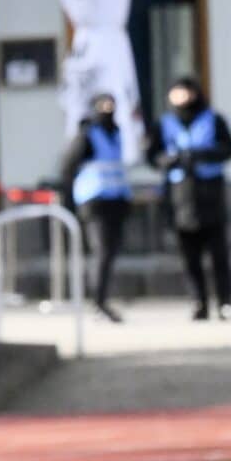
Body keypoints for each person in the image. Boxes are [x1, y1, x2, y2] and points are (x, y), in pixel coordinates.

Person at [147, 75, 231, 321]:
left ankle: (225, 303)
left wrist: (202, 155)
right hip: (180, 197)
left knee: (219, 253)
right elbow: (152, 156)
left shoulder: (213, 119)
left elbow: (229, 148)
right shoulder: (164, 123)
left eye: (186, 92)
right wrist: (171, 160)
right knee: (189, 255)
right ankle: (199, 302)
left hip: (210, 193)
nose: (182, 97)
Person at [59, 92, 133, 323]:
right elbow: (68, 167)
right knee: (101, 252)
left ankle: (102, 300)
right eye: (103, 104)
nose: (107, 109)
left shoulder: (117, 133)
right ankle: (98, 303)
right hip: (94, 201)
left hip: (116, 200)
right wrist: (68, 201)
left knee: (109, 253)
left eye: (111, 104)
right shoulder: (87, 135)